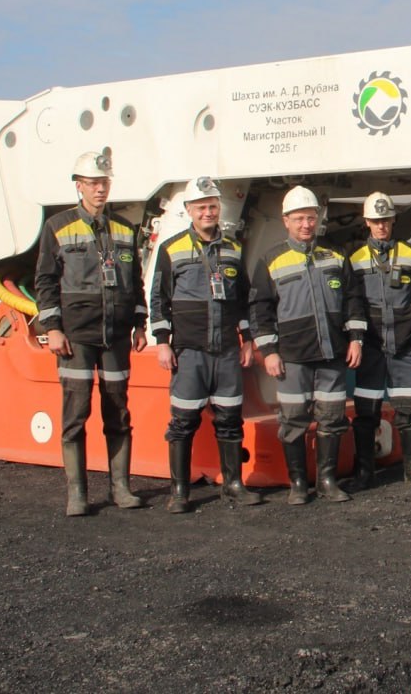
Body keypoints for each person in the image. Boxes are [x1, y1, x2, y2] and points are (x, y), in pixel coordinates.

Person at [35, 151, 149, 517]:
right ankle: (77, 494)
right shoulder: (58, 226)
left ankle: (121, 488)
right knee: (76, 413)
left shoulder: (125, 229)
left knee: (118, 412)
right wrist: (53, 328)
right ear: (79, 186)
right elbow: (45, 281)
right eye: (93, 183)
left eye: (104, 183)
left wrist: (140, 325)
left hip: (116, 335)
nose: (100, 189)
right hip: (76, 336)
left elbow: (136, 282)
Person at [150, 177, 264, 513]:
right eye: (201, 207)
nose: (208, 212)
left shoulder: (233, 248)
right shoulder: (171, 249)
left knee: (230, 419)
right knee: (182, 423)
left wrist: (247, 340)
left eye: (212, 205)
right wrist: (162, 343)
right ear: (189, 210)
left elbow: (243, 300)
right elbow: (158, 299)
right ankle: (179, 491)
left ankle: (233, 484)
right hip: (189, 350)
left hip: (226, 350)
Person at [249, 186, 366, 504]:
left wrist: (356, 339)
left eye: (311, 218)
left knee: (332, 418)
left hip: (332, 354)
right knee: (293, 421)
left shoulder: (336, 255)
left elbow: (353, 299)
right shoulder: (271, 260)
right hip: (293, 357)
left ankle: (327, 481)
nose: (306, 224)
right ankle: (298, 484)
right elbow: (260, 310)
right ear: (286, 220)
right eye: (299, 218)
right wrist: (269, 352)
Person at [349, 192, 411, 489]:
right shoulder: (354, 259)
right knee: (366, 412)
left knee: (409, 409)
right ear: (367, 222)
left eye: (386, 221)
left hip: (403, 348)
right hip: (371, 347)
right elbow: (351, 302)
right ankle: (365, 473)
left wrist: (404, 319)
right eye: (376, 221)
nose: (381, 226)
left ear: (393, 221)